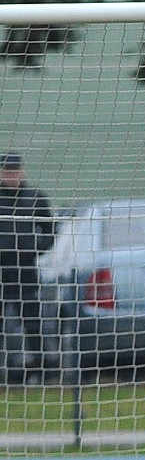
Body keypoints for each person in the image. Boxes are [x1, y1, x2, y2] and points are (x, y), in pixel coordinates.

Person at [0, 153, 56, 382]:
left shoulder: (34, 198)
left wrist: (36, 249)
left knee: (32, 321)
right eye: (7, 171)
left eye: (15, 170)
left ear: (22, 171)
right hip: (1, 270)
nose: (12, 175)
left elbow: (49, 230)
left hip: (25, 270)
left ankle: (42, 371)